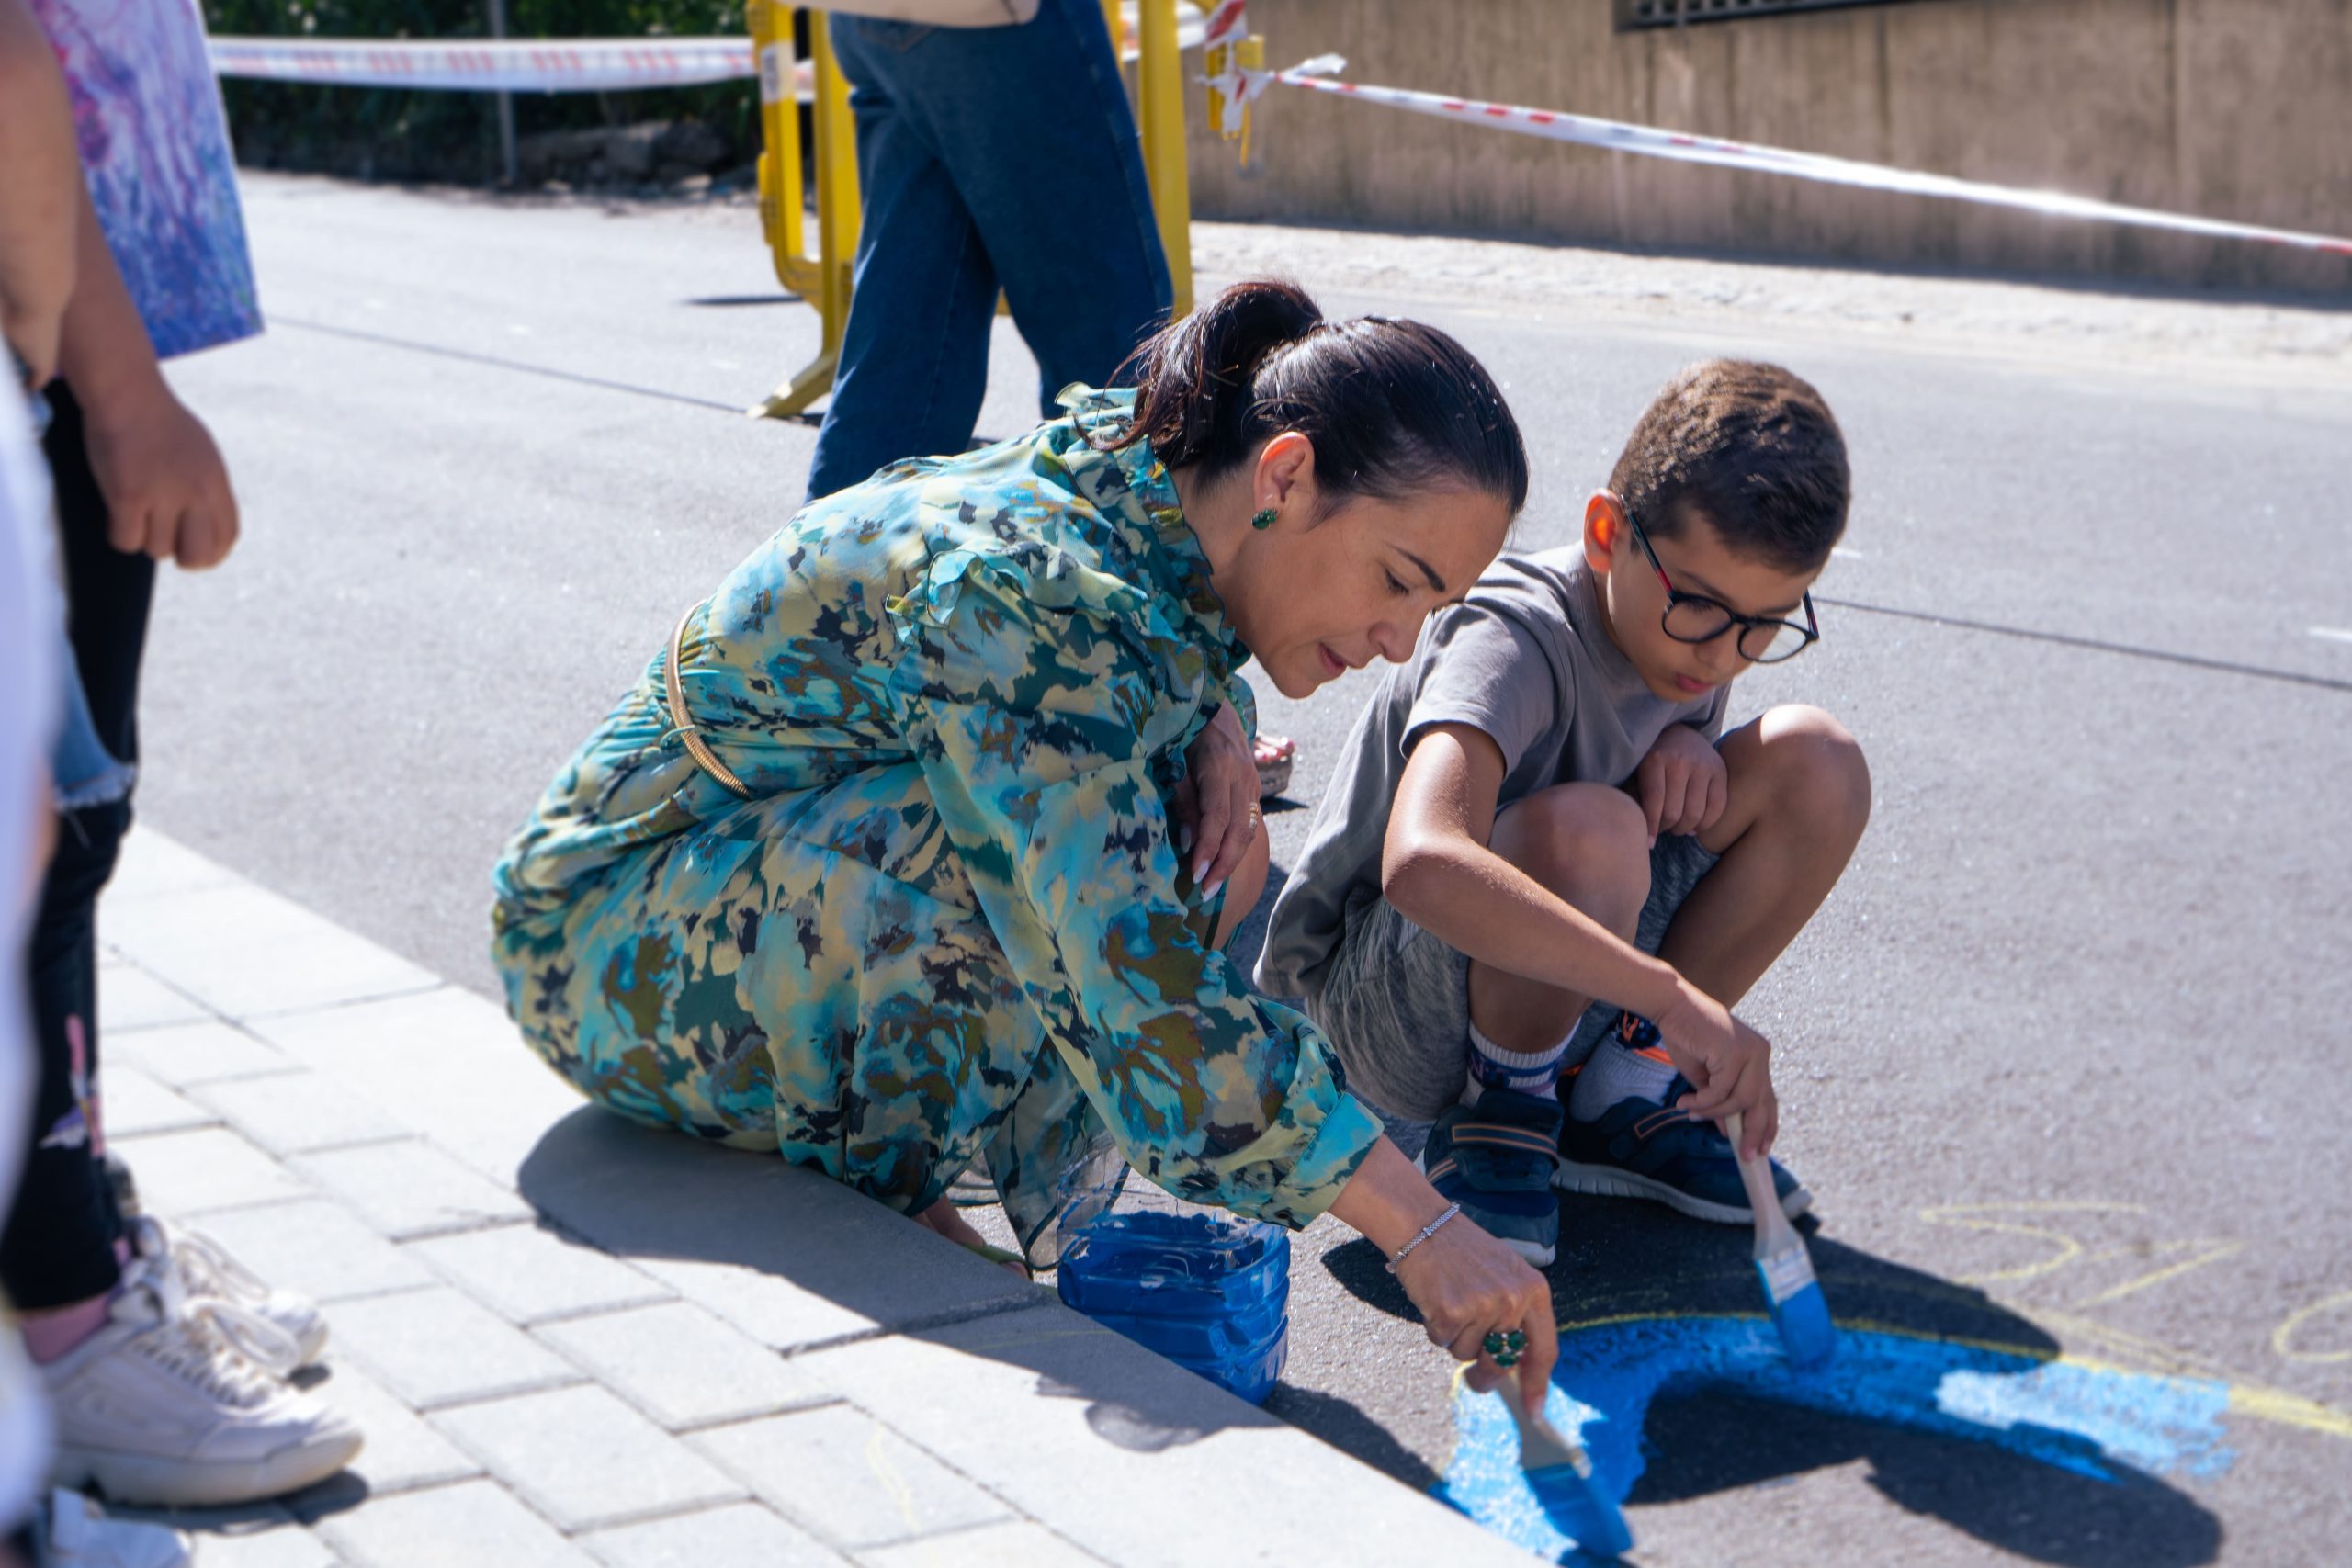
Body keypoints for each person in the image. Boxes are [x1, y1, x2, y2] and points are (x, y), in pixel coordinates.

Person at [493, 279, 1562, 1400]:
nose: (1400, 644)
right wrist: (1422, 1227)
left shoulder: (1150, 483)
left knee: (1190, 826)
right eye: (1398, 581)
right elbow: (1136, 985)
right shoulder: (1025, 594)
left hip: (709, 887)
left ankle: (879, 1158)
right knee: (986, 860)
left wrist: (1213, 721)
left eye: (1432, 610)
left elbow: (1136, 660)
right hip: (594, 947)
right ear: (1285, 475)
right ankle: (887, 1197)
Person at [1255, 360, 1871, 1267]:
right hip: (1381, 1017)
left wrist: (1683, 748)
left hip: (1556, 978)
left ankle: (1624, 1090)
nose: (1724, 655)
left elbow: (1688, 698)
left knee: (1818, 762)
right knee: (1594, 829)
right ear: (1605, 532)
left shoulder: (1684, 641)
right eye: (1700, 605)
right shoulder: (1515, 633)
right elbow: (1422, 862)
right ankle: (1499, 1122)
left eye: (1765, 624)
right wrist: (1671, 995)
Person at [0, 0, 360, 1513]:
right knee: (53, 844)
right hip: (58, 328)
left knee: (67, 841)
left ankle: (79, 1232)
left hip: (74, 310)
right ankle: (67, 1317)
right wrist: (112, 382)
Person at [807, 0, 1298, 798]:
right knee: (1127, 355)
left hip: (872, 17)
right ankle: (1170, 716)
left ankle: (817, 669)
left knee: (908, 344)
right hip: (1006, 17)